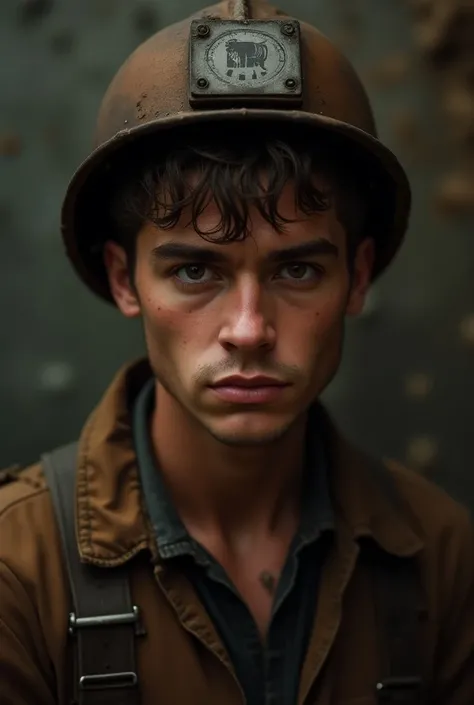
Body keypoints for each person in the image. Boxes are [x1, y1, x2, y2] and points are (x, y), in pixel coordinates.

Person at [1, 1, 473, 704]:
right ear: (125, 278)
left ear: (359, 275)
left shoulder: (439, 553)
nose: (249, 328)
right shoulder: (17, 565)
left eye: (297, 270)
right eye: (195, 271)